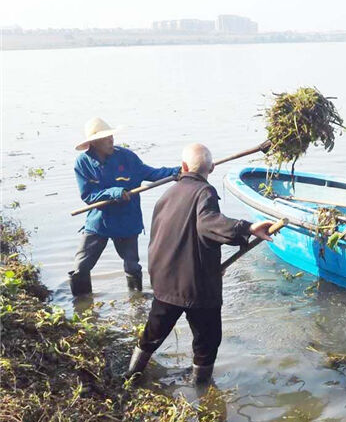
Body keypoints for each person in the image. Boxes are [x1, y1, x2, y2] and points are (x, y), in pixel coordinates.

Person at [127, 142, 274, 383]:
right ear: (212, 168)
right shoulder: (204, 192)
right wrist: (247, 228)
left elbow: (170, 238)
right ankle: (203, 394)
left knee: (152, 334)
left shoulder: (167, 194)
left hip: (164, 282)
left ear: (183, 167)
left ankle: (131, 376)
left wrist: (209, 264)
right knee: (207, 343)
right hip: (197, 288)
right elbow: (209, 224)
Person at [68, 117, 181, 296]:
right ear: (94, 142)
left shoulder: (127, 157)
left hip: (127, 221)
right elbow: (88, 196)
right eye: (106, 138)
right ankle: (81, 303)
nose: (111, 140)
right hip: (99, 222)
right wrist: (113, 192)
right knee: (80, 267)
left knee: (132, 266)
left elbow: (152, 173)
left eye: (111, 136)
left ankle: (137, 302)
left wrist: (177, 172)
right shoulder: (83, 163)